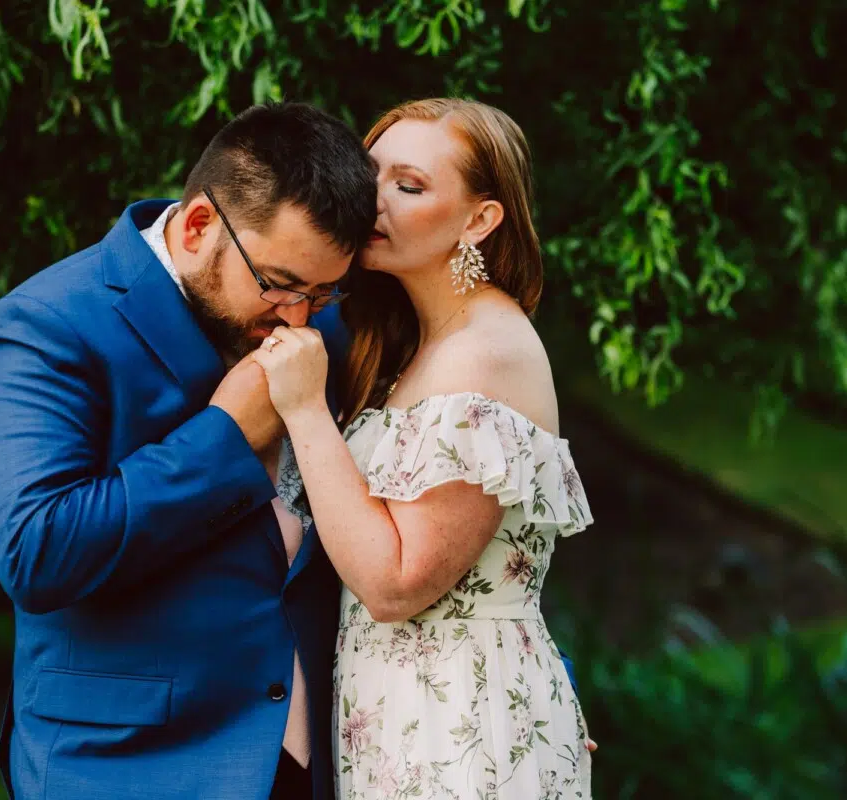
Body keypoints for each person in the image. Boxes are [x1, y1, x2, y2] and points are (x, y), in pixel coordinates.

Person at [0, 102, 377, 799]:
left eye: (322, 292)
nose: (299, 316)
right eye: (278, 284)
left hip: (313, 761)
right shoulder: (45, 324)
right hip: (127, 765)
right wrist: (227, 436)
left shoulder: (326, 330)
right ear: (197, 225)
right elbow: (39, 551)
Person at [252, 98, 594, 798]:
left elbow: (395, 584)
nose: (374, 200)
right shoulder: (416, 344)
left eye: (409, 186)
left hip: (458, 724)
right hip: (402, 712)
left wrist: (305, 410)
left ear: (479, 220)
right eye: (371, 176)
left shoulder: (484, 354)